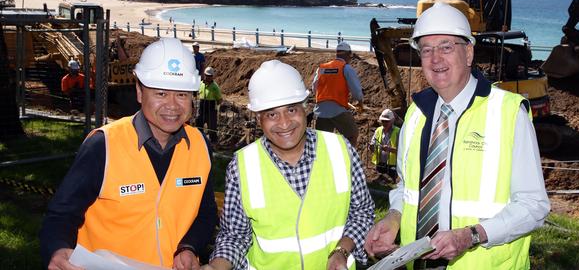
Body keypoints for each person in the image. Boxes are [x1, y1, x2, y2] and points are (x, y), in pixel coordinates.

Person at [364, 2, 550, 269]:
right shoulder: (416, 115)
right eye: (426, 50)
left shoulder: (508, 113)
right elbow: (406, 187)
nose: (435, 59)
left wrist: (471, 235)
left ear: (469, 52)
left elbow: (534, 206)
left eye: (446, 47)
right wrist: (394, 216)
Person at [41, 38, 218, 270]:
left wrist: (189, 247)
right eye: (161, 93)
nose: (172, 105)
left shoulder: (199, 145)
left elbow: (206, 214)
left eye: (182, 95)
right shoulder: (103, 145)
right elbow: (61, 214)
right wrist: (58, 248)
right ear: (139, 92)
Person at [204, 60, 374, 270]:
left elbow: (362, 212)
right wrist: (214, 267)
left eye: (291, 110)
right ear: (259, 120)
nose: (284, 123)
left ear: (305, 109)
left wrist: (341, 251)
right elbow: (235, 236)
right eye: (272, 114)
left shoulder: (340, 150)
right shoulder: (243, 166)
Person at [312, 41, 364, 146]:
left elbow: (314, 88)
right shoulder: (346, 68)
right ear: (348, 54)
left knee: (322, 140)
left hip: (321, 110)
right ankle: (348, 159)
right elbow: (357, 92)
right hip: (337, 109)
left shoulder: (322, 68)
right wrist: (360, 101)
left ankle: (324, 160)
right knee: (352, 134)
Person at [371, 109, 399, 181]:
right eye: (383, 121)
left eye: (387, 121)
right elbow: (373, 146)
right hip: (380, 164)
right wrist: (372, 147)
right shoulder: (378, 130)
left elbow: (403, 152)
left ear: (392, 120)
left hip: (393, 166)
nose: (384, 123)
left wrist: (390, 149)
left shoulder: (398, 132)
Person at [197, 66, 223, 143]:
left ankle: (213, 143)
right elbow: (198, 94)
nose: (208, 77)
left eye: (210, 76)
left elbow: (220, 100)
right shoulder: (201, 84)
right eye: (207, 75)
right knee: (199, 126)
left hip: (211, 108)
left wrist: (214, 107)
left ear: (212, 76)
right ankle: (199, 142)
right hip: (202, 107)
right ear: (204, 75)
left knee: (212, 128)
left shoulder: (215, 87)